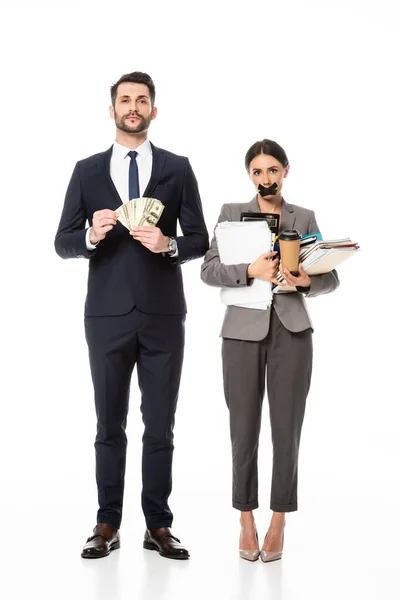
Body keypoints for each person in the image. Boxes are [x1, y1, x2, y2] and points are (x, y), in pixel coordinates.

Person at [55, 71, 209, 560]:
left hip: (164, 313)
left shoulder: (177, 167)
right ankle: (107, 522)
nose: (133, 107)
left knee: (161, 425)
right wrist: (90, 236)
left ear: (154, 111)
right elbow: (62, 241)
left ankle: (158, 525)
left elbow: (201, 238)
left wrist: (170, 245)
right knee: (108, 425)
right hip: (105, 315)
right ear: (112, 110)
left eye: (142, 100)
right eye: (125, 100)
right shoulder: (86, 171)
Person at [201, 139, 339, 563]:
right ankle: (246, 519)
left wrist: (305, 282)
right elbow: (208, 269)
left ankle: (278, 522)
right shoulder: (229, 215)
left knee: (287, 431)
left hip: (293, 330)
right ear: (250, 176)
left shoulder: (305, 217)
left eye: (273, 170)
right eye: (258, 172)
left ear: (286, 171)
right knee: (243, 431)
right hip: (242, 331)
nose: (266, 178)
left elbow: (329, 277)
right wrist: (249, 270)